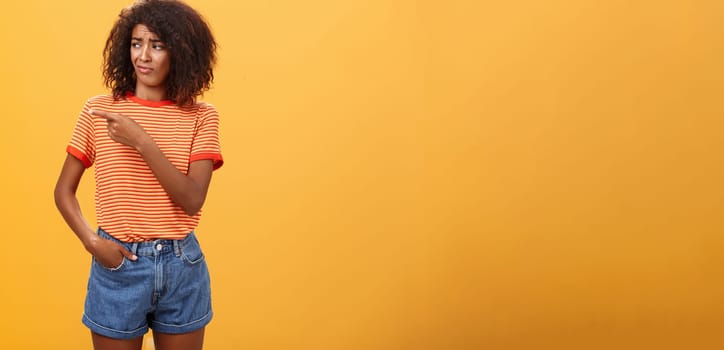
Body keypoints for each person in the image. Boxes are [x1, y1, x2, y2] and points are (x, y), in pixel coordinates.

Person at [54, 1, 222, 349]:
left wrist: (140, 140)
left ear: (181, 51)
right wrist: (93, 242)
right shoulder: (98, 111)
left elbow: (192, 200)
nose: (143, 56)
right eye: (136, 43)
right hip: (118, 267)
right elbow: (63, 191)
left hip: (182, 268)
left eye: (157, 45)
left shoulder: (202, 117)